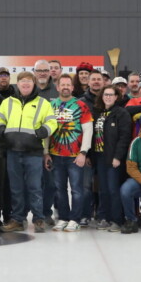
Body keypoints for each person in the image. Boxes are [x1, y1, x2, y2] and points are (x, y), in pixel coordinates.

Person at [0, 71, 57, 232]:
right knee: (16, 188)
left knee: (35, 187)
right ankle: (18, 219)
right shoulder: (8, 102)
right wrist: (2, 130)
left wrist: (42, 132)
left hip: (34, 153)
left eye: (29, 82)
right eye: (22, 81)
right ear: (18, 84)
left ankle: (38, 219)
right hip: (13, 151)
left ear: (34, 84)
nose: (25, 84)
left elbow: (52, 121)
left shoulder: (43, 103)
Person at [47, 74, 94, 231]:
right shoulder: (51, 105)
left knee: (76, 189)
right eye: (63, 84)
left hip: (75, 156)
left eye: (68, 84)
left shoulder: (81, 105)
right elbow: (46, 131)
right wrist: (46, 152)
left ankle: (75, 219)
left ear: (73, 88)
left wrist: (83, 152)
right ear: (58, 87)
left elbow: (88, 129)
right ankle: (63, 217)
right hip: (56, 155)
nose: (66, 87)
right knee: (59, 189)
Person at [92, 85, 133, 232]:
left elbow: (124, 137)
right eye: (105, 94)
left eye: (111, 95)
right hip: (99, 156)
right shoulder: (99, 113)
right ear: (102, 97)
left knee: (113, 189)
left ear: (116, 97)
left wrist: (118, 157)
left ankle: (117, 220)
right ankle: (104, 217)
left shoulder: (121, 113)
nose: (108, 97)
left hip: (113, 158)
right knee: (103, 189)